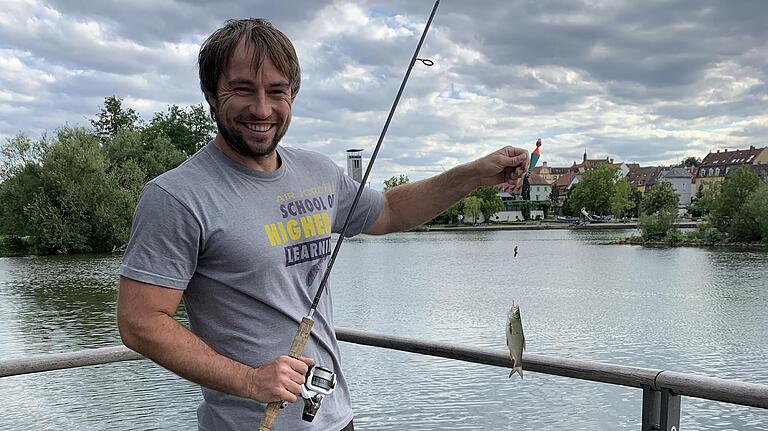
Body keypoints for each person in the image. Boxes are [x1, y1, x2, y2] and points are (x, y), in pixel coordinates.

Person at [117, 18, 529, 431]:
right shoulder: (176, 196)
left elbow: (389, 211)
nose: (262, 108)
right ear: (210, 93)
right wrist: (249, 380)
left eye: (277, 91)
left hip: (335, 419)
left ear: (292, 95)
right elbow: (140, 322)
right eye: (243, 88)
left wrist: (472, 175)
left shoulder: (317, 171)